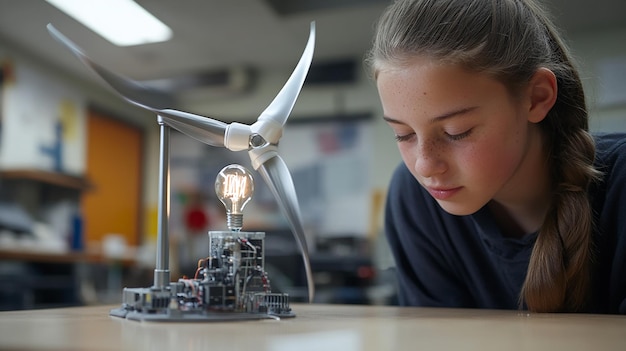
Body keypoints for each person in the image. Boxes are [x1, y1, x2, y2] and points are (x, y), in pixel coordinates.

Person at [365, 0, 626, 314]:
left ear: (537, 97)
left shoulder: (619, 189)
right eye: (403, 134)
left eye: (456, 131)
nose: (424, 165)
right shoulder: (415, 200)